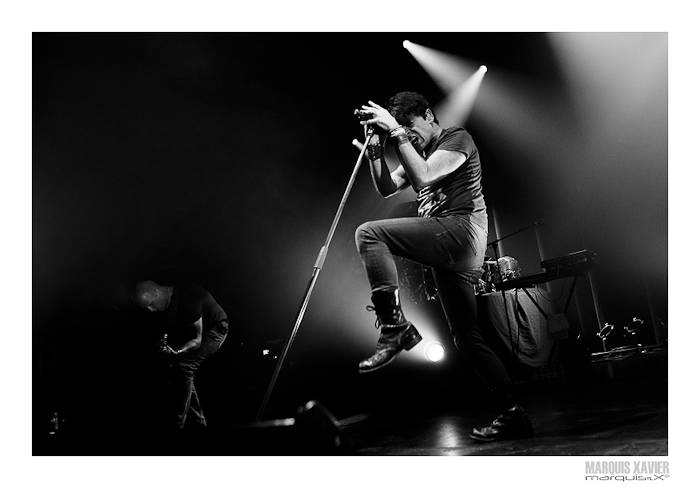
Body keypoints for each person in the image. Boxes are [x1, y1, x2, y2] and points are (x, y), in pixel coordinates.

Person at [353, 92, 533, 442]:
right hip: (448, 245)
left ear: (428, 115)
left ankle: (394, 327)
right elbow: (388, 188)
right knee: (466, 337)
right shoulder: (418, 151)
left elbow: (423, 178)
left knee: (369, 233)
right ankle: (513, 413)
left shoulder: (457, 137)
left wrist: (396, 132)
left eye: (409, 125)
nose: (406, 133)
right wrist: (375, 151)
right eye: (400, 128)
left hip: (460, 232)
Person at [133, 280, 229, 431]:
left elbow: (196, 341)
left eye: (150, 304)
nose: (151, 310)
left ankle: (178, 425)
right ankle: (200, 423)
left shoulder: (188, 296)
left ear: (157, 292)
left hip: (216, 330)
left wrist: (176, 352)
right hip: (195, 333)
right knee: (175, 371)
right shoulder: (169, 305)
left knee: (184, 366)